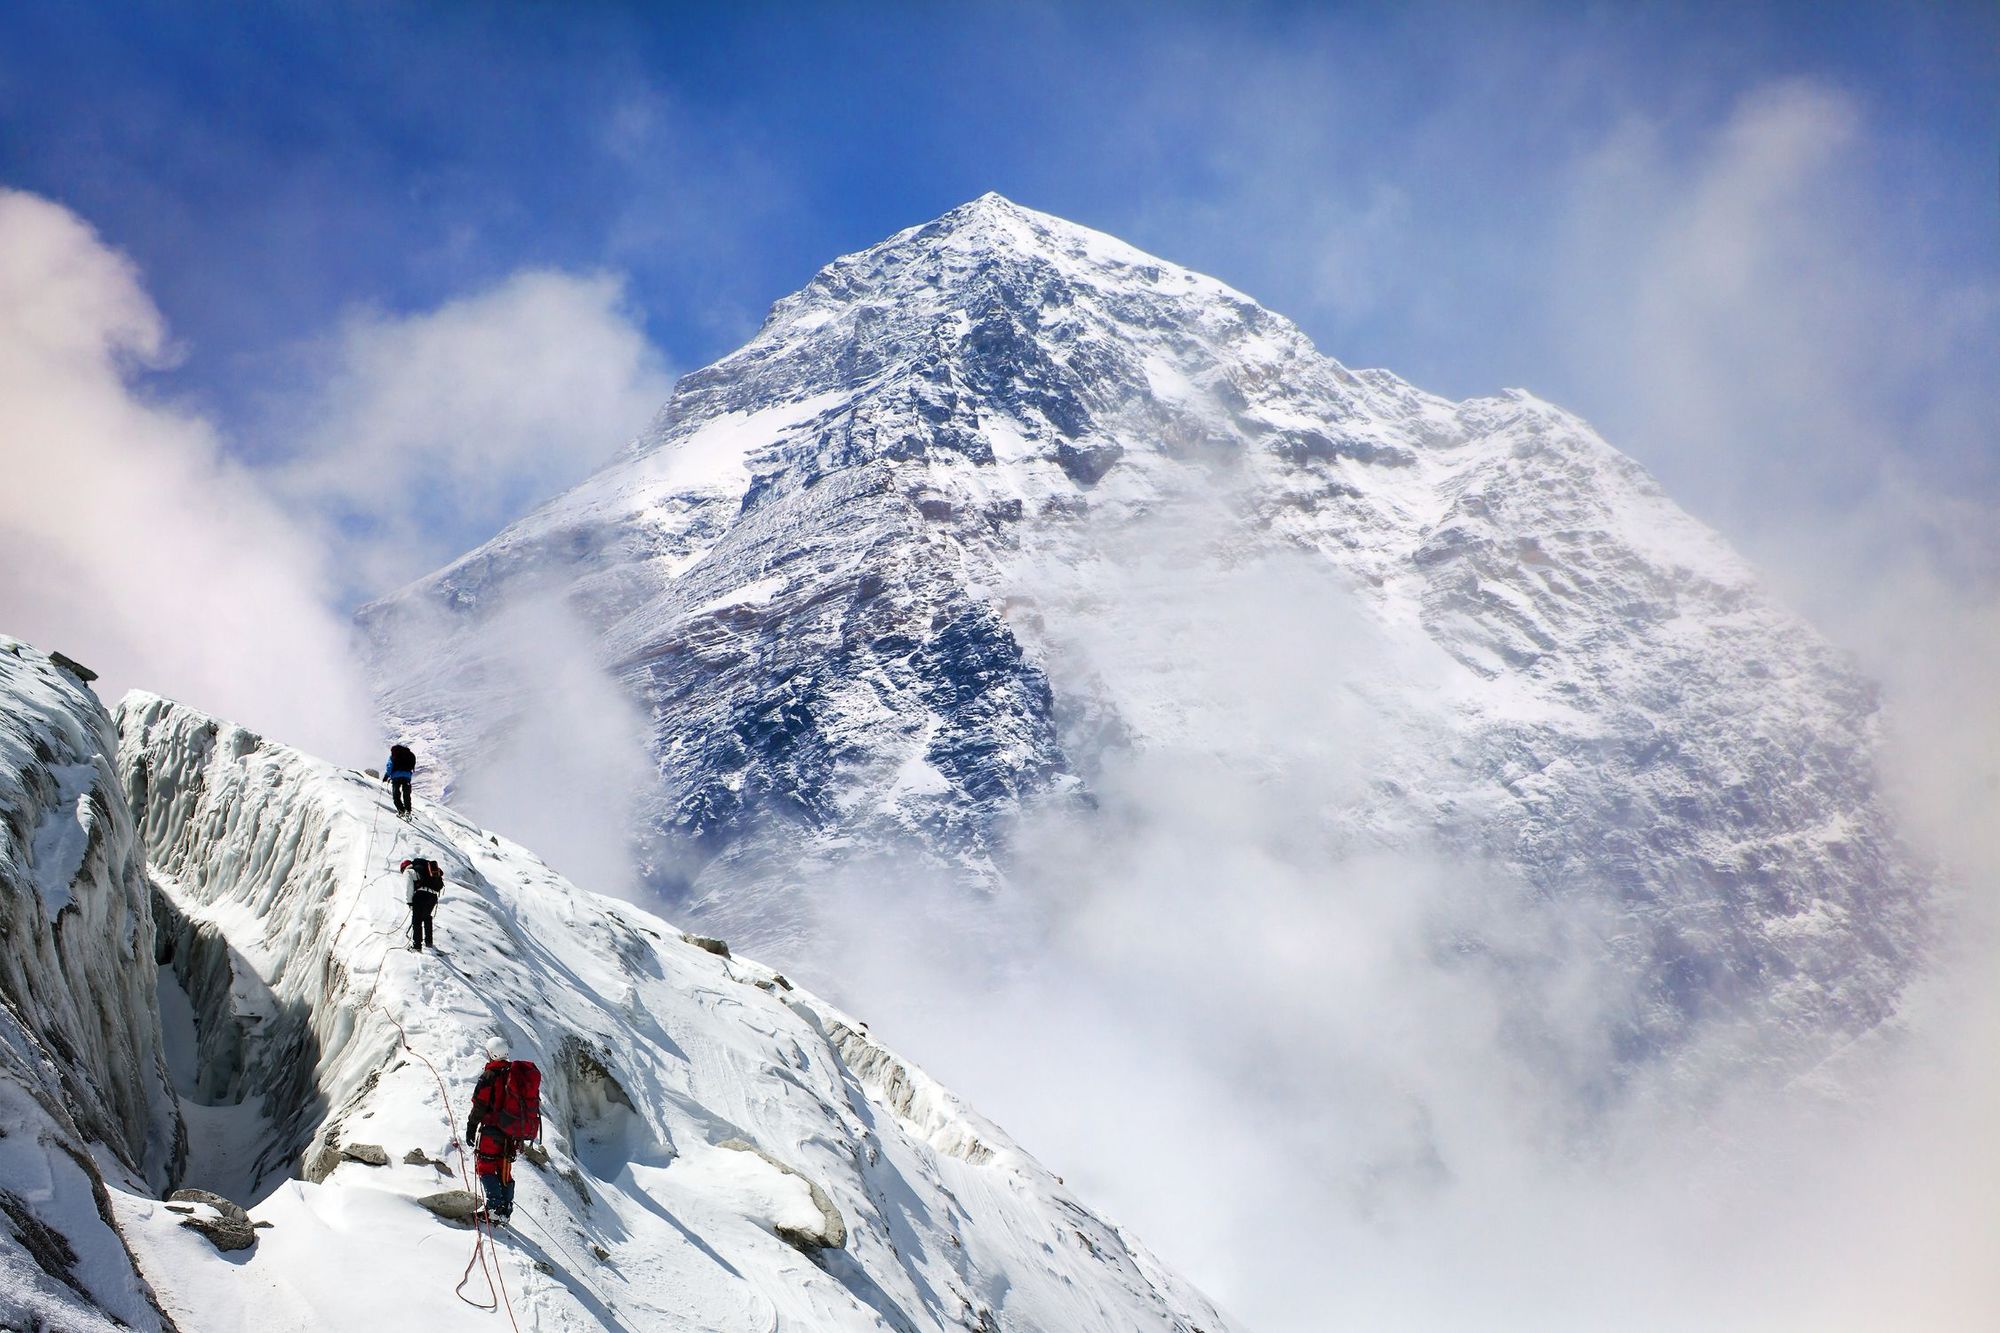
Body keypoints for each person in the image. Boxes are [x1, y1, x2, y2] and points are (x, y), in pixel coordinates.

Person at [465, 1036, 525, 1224]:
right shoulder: (515, 1075)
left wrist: (471, 1127)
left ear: (491, 1054)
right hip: (511, 1133)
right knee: (504, 1169)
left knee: (485, 1166)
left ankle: (494, 1209)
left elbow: (479, 1105)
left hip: (491, 1130)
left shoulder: (489, 1076)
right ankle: (505, 1211)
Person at [401, 856, 443, 953]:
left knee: (417, 920)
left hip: (421, 895)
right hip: (433, 896)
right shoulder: (424, 870)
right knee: (427, 917)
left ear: (405, 867)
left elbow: (409, 886)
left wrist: (410, 901)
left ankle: (417, 946)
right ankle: (429, 942)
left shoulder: (409, 871)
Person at [383, 742, 416, 818]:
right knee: (406, 794)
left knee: (396, 795)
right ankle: (408, 811)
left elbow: (389, 766)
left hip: (396, 777)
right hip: (407, 777)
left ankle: (401, 811)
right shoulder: (409, 755)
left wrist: (386, 776)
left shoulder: (393, 755)